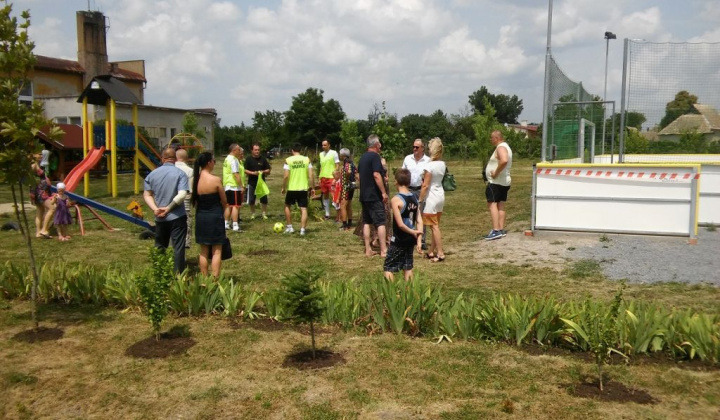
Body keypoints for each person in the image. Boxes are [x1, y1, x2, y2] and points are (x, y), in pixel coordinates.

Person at [143, 147, 190, 274]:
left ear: (162, 158)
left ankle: (159, 273)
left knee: (160, 246)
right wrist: (168, 208)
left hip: (160, 217)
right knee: (178, 247)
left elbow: (147, 195)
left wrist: (155, 209)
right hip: (177, 216)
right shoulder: (180, 174)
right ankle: (178, 276)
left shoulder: (152, 174)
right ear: (175, 159)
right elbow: (182, 194)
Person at [192, 152, 228, 277]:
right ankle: (215, 279)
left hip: (201, 217)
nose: (214, 163)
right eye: (214, 161)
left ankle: (204, 278)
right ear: (209, 163)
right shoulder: (215, 180)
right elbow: (224, 201)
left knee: (203, 251)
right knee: (216, 251)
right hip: (214, 216)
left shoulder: (196, 180)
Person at [384, 169, 423, 281]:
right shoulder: (414, 198)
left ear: (396, 181)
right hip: (410, 239)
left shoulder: (396, 200)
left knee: (388, 267)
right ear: (409, 182)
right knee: (407, 266)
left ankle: (391, 291)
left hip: (399, 239)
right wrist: (419, 240)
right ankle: (409, 290)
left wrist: (413, 232)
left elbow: (400, 224)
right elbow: (419, 221)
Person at [358, 134, 388, 257]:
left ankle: (368, 249)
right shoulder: (375, 156)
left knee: (366, 221)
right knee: (380, 222)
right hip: (374, 195)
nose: (380, 145)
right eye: (379, 143)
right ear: (376, 144)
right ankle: (384, 250)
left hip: (364, 195)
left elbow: (358, 176)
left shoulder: (362, 157)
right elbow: (376, 175)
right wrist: (383, 192)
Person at [420, 137, 446, 262]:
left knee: (434, 226)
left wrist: (420, 199)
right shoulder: (442, 164)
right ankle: (431, 251)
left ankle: (440, 253)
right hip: (440, 195)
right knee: (436, 225)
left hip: (432, 197)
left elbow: (425, 185)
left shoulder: (429, 166)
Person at [402, 138, 430, 249]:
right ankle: (409, 238)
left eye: (417, 147)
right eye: (413, 147)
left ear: (422, 148)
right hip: (409, 189)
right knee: (408, 214)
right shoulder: (407, 159)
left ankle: (421, 240)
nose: (414, 149)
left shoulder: (428, 161)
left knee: (421, 215)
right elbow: (403, 173)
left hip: (421, 190)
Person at [484, 130, 513, 240]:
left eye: (491, 138)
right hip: (503, 182)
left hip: (496, 182)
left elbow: (504, 160)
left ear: (496, 138)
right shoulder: (506, 147)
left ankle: (496, 230)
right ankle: (500, 229)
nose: (490, 140)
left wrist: (495, 173)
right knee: (500, 204)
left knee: (492, 204)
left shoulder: (501, 147)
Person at [281, 143, 314, 236]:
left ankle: (290, 227)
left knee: (287, 206)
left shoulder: (288, 160)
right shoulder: (307, 159)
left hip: (292, 188)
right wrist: (313, 187)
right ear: (301, 150)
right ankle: (302, 230)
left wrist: (283, 187)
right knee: (303, 208)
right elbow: (311, 175)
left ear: (292, 150)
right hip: (303, 188)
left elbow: (286, 176)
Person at [244, 143, 272, 220]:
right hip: (252, 183)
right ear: (252, 151)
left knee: (264, 198)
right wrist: (253, 173)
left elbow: (268, 169)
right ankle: (253, 214)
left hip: (261, 183)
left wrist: (263, 171)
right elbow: (245, 170)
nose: (257, 151)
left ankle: (264, 214)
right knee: (251, 199)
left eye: (258, 150)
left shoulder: (263, 159)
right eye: (255, 150)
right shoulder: (248, 159)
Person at [30, 154, 54, 239]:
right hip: (40, 192)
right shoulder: (33, 165)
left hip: (41, 191)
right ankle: (44, 230)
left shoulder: (37, 164)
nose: (41, 155)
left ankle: (38, 232)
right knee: (52, 208)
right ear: (34, 155)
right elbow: (31, 177)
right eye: (39, 154)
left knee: (40, 211)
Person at [223, 144, 245, 232]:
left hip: (227, 185)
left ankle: (226, 223)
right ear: (234, 150)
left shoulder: (226, 159)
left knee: (228, 205)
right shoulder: (234, 160)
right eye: (239, 150)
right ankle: (235, 225)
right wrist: (241, 186)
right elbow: (236, 174)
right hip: (234, 186)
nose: (240, 152)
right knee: (236, 206)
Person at [175, 148, 194, 247]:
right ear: (186, 158)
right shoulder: (190, 170)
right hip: (185, 198)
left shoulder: (171, 168)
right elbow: (190, 189)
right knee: (186, 219)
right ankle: (186, 241)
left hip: (171, 197)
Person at [318, 139, 340, 220]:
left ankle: (339, 215)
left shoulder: (334, 153)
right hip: (323, 177)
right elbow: (321, 166)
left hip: (331, 177)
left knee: (334, 196)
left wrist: (335, 176)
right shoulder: (321, 154)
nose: (323, 146)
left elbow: (337, 164)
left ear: (329, 145)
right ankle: (327, 214)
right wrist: (319, 177)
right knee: (325, 195)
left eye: (325, 145)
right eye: (322, 145)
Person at [338, 148, 358, 231]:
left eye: (340, 154)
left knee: (343, 205)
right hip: (351, 186)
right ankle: (349, 223)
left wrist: (346, 179)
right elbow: (356, 172)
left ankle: (344, 225)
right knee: (349, 205)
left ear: (343, 155)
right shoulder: (352, 163)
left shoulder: (346, 163)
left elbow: (348, 171)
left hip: (346, 186)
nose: (339, 155)